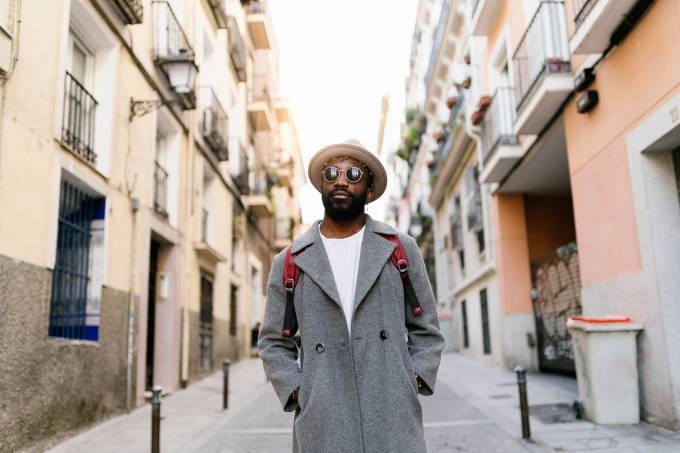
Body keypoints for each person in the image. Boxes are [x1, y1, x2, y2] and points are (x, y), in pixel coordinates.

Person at [258, 139, 445, 453]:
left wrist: (410, 381)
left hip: (391, 414)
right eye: (331, 173)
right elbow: (273, 341)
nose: (341, 180)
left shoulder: (399, 249)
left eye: (353, 174)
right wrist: (298, 391)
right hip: (323, 419)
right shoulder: (290, 261)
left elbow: (426, 327)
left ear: (369, 190)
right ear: (322, 186)